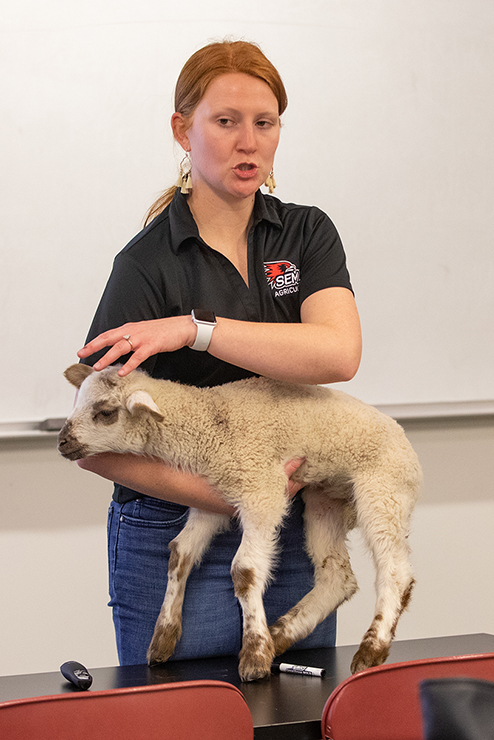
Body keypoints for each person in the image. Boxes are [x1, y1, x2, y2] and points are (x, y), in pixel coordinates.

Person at [76, 39, 362, 666]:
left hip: (284, 528)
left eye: (265, 123)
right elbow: (91, 446)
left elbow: (338, 354)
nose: (249, 142)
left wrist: (194, 329)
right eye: (226, 122)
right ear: (183, 130)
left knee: (297, 716)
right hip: (175, 531)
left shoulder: (306, 232)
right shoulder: (145, 263)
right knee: (192, 720)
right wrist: (223, 494)